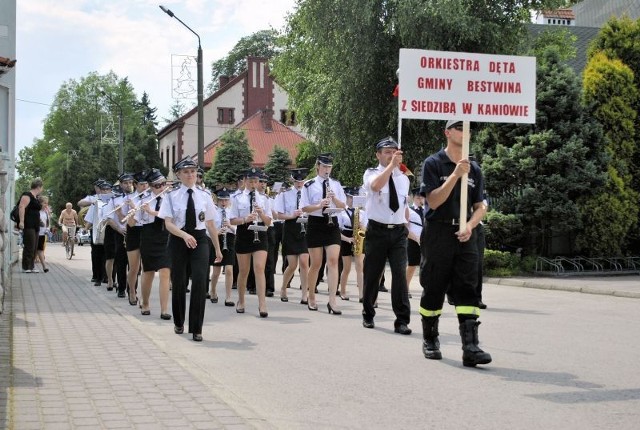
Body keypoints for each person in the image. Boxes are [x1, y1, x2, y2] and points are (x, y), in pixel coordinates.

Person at [419, 119, 491, 367]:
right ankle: (430, 339)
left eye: (468, 128)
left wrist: (470, 225)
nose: (465, 132)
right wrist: (454, 175)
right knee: (434, 286)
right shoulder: (433, 163)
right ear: (448, 132)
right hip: (439, 232)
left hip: (465, 235)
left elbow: (480, 206)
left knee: (468, 287)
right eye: (460, 128)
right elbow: (434, 202)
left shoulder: (475, 168)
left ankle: (470, 347)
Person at [158, 157, 222, 341]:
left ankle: (196, 328)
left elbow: (210, 223)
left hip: (200, 240)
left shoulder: (204, 195)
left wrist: (217, 248)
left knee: (201, 281)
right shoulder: (171, 196)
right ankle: (179, 321)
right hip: (179, 239)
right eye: (186, 172)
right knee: (179, 282)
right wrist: (184, 235)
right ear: (178, 175)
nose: (190, 175)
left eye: (193, 171)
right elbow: (168, 224)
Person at [361, 137, 412, 334]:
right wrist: (391, 167)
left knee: (399, 275)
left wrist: (407, 227)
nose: (391, 155)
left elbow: (404, 206)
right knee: (373, 274)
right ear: (378, 155)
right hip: (377, 230)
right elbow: (375, 187)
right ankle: (368, 313)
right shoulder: (371, 173)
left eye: (394, 152)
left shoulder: (404, 178)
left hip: (398, 231)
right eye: (387, 152)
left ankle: (402, 320)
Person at [300, 153, 347, 314]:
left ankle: (332, 299)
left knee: (333, 261)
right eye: (324, 166)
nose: (327, 170)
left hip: (332, 222)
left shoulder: (336, 184)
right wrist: (320, 204)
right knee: (316, 263)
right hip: (316, 223)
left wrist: (334, 199)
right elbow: (304, 208)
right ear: (318, 167)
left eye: (329, 167)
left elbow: (343, 206)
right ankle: (311, 295)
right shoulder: (308, 185)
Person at [229, 168, 272, 318]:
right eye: (250, 181)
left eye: (256, 181)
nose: (253, 184)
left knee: (259, 268)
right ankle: (241, 301)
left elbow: (268, 222)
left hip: (260, 231)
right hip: (244, 232)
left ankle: (262, 304)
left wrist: (261, 213)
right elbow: (232, 219)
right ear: (245, 181)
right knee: (244, 271)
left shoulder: (264, 198)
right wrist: (245, 219)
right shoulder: (236, 198)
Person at [134, 168, 172, 320]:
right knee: (148, 272)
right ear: (150, 186)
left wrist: (152, 212)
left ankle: (164, 310)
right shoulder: (143, 199)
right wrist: (131, 213)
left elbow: (170, 216)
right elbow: (134, 222)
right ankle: (145, 303)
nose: (161, 187)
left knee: (165, 272)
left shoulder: (169, 198)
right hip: (149, 236)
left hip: (165, 235)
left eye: (163, 184)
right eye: (157, 185)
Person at [274, 169, 310, 303]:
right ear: (293, 181)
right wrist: (291, 215)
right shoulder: (285, 194)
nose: (299, 184)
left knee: (305, 262)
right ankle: (283, 287)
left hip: (305, 227)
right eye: (297, 181)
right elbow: (278, 215)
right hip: (290, 227)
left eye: (301, 181)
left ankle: (304, 294)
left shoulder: (309, 193)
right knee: (292, 264)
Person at [123, 171, 149, 305]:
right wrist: (135, 209)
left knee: (146, 267)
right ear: (135, 184)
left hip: (147, 231)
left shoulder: (151, 197)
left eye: (146, 184)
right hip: (134, 231)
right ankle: (132, 291)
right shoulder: (130, 199)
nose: (144, 187)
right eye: (141, 184)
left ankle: (145, 297)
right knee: (134, 267)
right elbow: (130, 223)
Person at [208, 188, 237, 306]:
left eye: (226, 200)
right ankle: (213, 290)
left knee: (229, 269)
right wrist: (218, 232)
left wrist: (230, 226)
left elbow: (237, 230)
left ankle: (228, 296)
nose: (223, 203)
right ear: (217, 200)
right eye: (221, 200)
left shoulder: (232, 212)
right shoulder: (213, 212)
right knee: (216, 271)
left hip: (229, 240)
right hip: (217, 240)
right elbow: (208, 229)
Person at [338, 188, 367, 302]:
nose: (351, 200)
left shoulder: (362, 212)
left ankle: (361, 294)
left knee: (360, 266)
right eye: (350, 197)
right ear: (346, 197)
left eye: (354, 198)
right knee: (347, 268)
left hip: (358, 236)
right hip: (346, 237)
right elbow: (337, 230)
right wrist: (347, 239)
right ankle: (343, 291)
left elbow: (366, 228)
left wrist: (360, 225)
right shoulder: (341, 212)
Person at [79, 179, 107, 284]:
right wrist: (86, 228)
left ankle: (106, 276)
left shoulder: (112, 199)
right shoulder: (94, 200)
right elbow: (81, 204)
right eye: (101, 188)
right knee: (96, 254)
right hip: (96, 230)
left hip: (107, 230)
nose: (103, 191)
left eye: (105, 189)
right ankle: (97, 275)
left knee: (107, 254)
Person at [18, 178, 44, 273]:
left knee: (34, 246)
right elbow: (21, 207)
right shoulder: (27, 195)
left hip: (35, 225)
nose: (42, 189)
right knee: (29, 245)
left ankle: (31, 266)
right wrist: (21, 221)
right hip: (28, 224)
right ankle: (26, 267)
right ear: (38, 187)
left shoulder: (35, 197)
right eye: (42, 187)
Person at [406, 188, 425, 298]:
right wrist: (416, 239)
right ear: (413, 198)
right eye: (418, 197)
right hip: (413, 241)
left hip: (425, 241)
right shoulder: (409, 210)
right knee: (412, 265)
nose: (420, 199)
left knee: (425, 266)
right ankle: (405, 288)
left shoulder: (426, 209)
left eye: (421, 197)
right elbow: (406, 228)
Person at [36, 195, 52, 273]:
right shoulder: (36, 212)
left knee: (40, 250)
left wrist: (47, 229)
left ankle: (44, 267)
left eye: (47, 203)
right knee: (34, 250)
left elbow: (48, 223)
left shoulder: (46, 212)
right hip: (35, 233)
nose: (46, 205)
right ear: (40, 203)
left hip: (42, 234)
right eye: (44, 203)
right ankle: (30, 266)